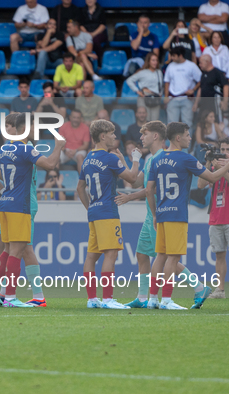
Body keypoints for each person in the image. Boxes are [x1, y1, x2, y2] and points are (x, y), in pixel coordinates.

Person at [146, 122, 229, 309]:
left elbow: (149, 190)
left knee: (159, 256)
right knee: (173, 258)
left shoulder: (157, 159)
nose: (190, 138)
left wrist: (155, 214)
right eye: (187, 135)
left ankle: (152, 299)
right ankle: (167, 300)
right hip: (177, 214)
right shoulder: (185, 158)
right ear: (178, 138)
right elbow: (210, 178)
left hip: (162, 213)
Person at [116, 121, 205, 308]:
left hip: (160, 215)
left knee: (164, 256)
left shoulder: (162, 158)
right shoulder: (150, 159)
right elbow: (135, 181)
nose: (141, 137)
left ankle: (197, 286)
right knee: (142, 255)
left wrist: (130, 198)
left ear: (156, 136)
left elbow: (152, 190)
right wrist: (129, 161)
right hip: (152, 215)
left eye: (145, 134)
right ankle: (142, 298)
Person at [0, 113, 65, 307]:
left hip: (10, 203)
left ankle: (0, 292)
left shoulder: (6, 149)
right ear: (24, 129)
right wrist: (59, 146)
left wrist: (5, 192)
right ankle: (11, 296)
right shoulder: (27, 149)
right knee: (16, 250)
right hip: (22, 205)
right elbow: (50, 164)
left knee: (11, 248)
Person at [77, 119, 140, 309]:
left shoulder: (88, 158)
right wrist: (134, 159)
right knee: (110, 254)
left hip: (94, 211)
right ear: (102, 136)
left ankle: (91, 299)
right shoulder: (110, 158)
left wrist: (90, 208)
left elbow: (80, 188)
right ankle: (108, 299)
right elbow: (132, 178)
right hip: (108, 212)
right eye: (112, 133)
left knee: (91, 257)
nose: (115, 136)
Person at [197, 137, 229, 299]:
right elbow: (200, 184)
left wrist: (226, 166)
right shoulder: (214, 167)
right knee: (219, 255)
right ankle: (220, 290)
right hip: (216, 216)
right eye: (223, 150)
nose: (225, 153)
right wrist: (208, 163)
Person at [164, 48, 202, 129]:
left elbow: (201, 80)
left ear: (180, 56)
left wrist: (193, 89)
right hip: (172, 98)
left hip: (187, 98)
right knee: (171, 125)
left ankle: (186, 142)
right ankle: (172, 142)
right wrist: (166, 96)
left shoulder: (191, 66)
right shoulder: (170, 66)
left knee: (187, 124)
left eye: (174, 56)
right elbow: (167, 82)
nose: (172, 58)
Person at [125, 52, 164, 121]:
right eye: (153, 60)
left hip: (155, 99)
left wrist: (160, 94)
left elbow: (161, 85)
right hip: (144, 99)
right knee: (144, 121)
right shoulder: (142, 72)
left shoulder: (159, 72)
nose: (155, 62)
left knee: (154, 122)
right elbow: (129, 80)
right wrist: (137, 91)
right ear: (148, 61)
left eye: (156, 60)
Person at [193, 54, 229, 122]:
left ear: (207, 62)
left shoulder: (217, 73)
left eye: (201, 63)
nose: (199, 65)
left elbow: (226, 86)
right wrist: (196, 103)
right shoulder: (203, 74)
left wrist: (225, 101)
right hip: (204, 103)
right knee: (202, 123)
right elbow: (201, 88)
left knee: (216, 122)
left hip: (215, 103)